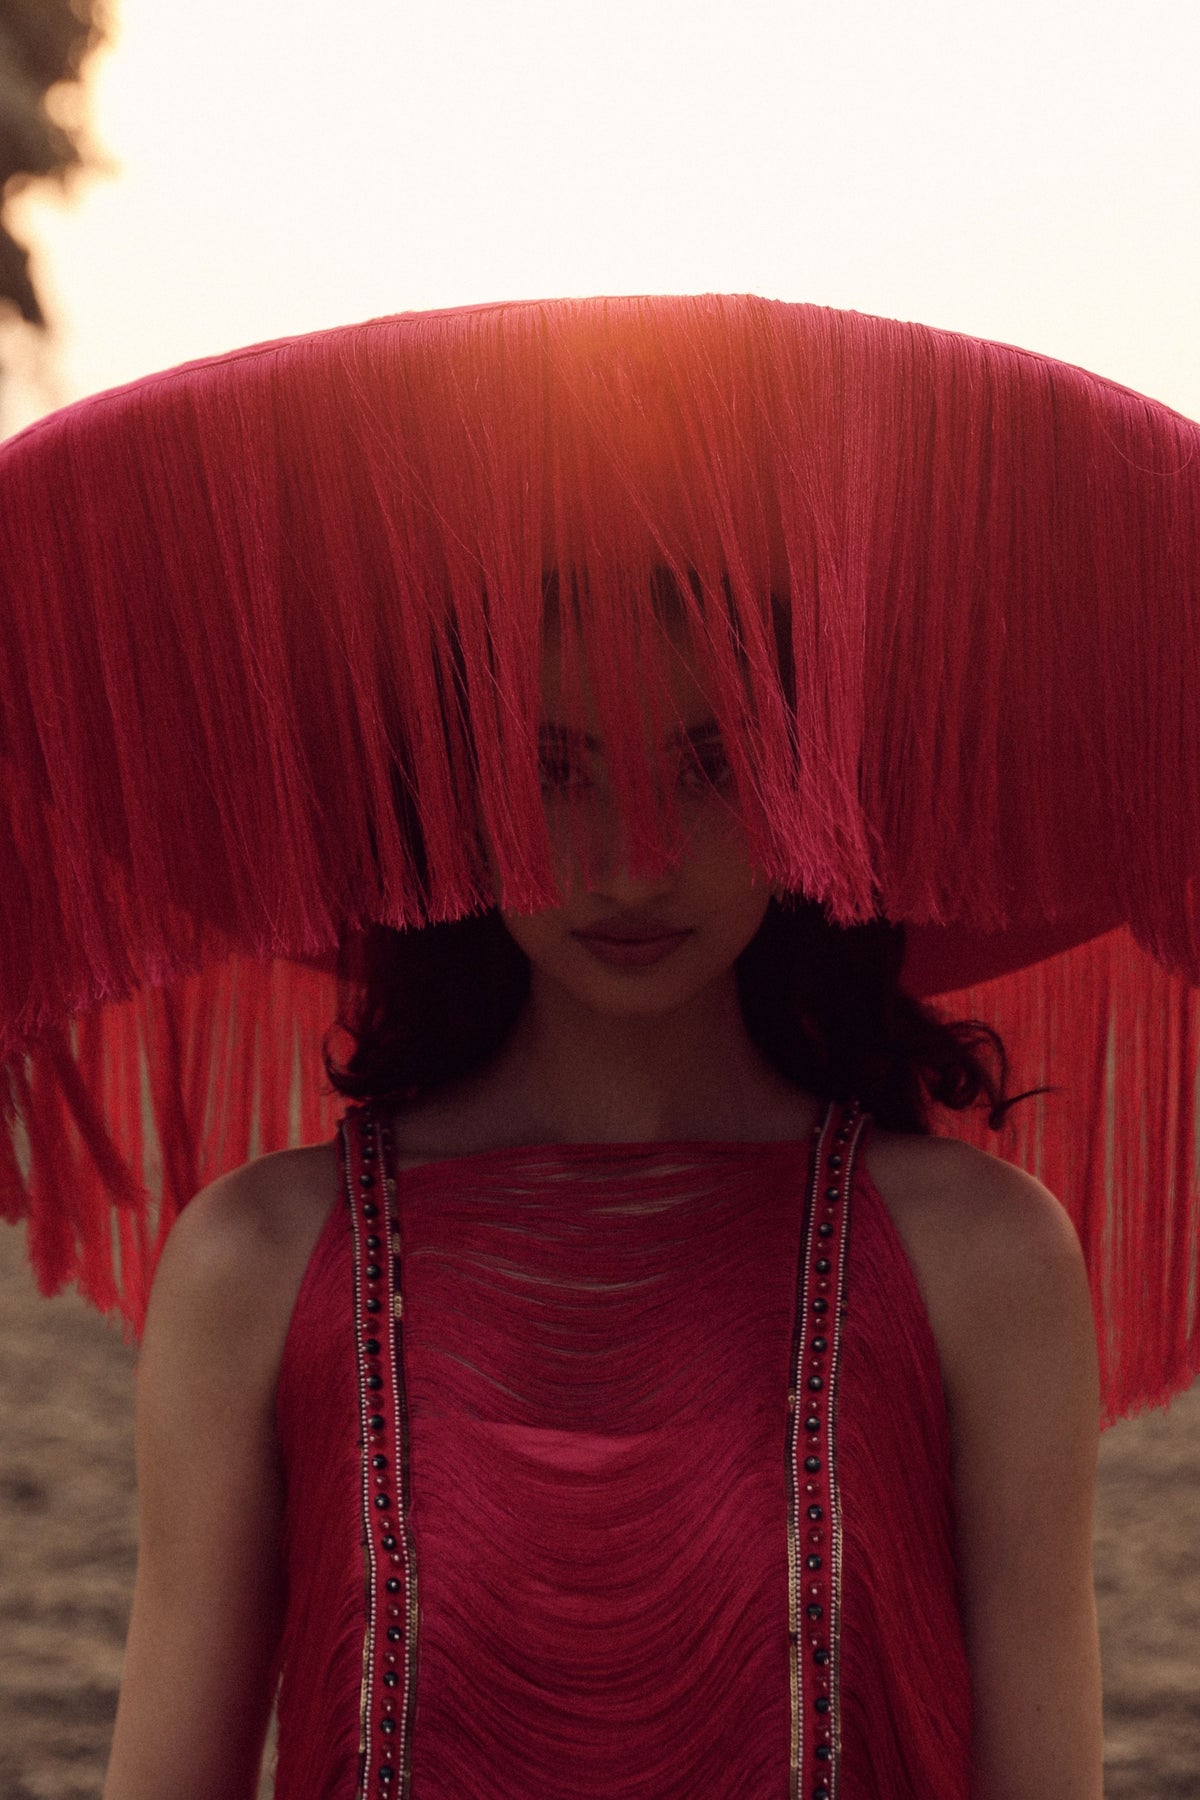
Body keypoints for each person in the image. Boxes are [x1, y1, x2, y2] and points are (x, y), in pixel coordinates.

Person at [98, 565, 1103, 1800]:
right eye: (556, 772)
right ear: (460, 806)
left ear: (807, 792)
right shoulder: (254, 1259)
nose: (636, 860)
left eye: (711, 765)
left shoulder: (982, 1257)